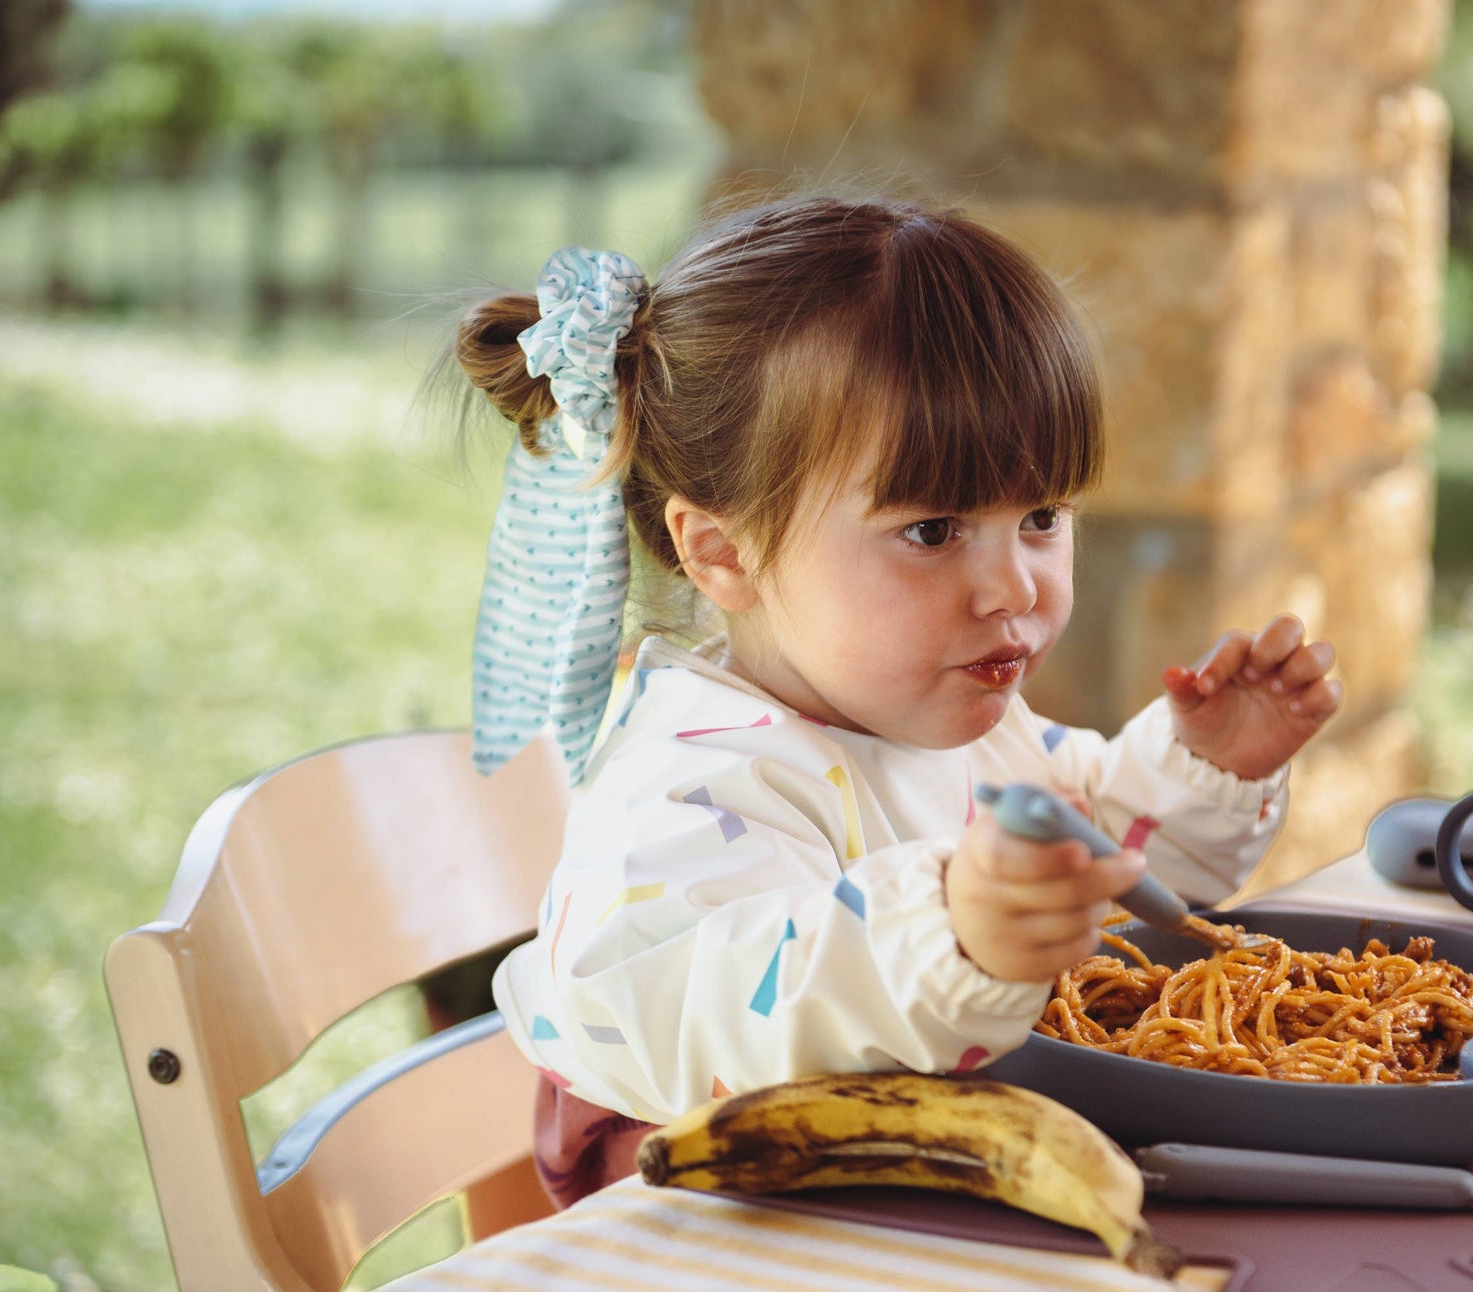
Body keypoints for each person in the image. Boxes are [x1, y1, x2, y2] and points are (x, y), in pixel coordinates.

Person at [451, 195, 1343, 1205]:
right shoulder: (693, 781)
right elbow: (709, 1014)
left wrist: (1200, 768)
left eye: (1041, 516)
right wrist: (949, 934)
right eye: (932, 531)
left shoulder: (947, 715)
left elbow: (1099, 869)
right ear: (724, 551)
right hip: (733, 1233)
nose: (1013, 587)